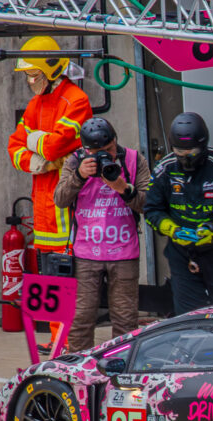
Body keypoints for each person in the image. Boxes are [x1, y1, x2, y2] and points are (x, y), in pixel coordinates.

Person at [7, 36, 92, 352]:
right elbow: (14, 148)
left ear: (51, 70)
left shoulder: (76, 100)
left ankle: (71, 339)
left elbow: (58, 144)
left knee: (68, 274)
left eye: (35, 75)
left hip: (67, 206)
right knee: (50, 274)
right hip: (43, 205)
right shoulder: (34, 104)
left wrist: (37, 142)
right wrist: (37, 161)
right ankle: (59, 337)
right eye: (28, 76)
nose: (30, 82)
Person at [54, 117, 150, 351]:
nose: (105, 155)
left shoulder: (134, 160)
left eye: (109, 150)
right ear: (87, 150)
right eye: (98, 152)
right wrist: (79, 176)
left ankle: (122, 367)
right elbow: (60, 199)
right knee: (81, 319)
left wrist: (123, 188)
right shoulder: (75, 161)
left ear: (115, 140)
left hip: (124, 252)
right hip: (86, 254)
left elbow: (148, 203)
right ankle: (77, 368)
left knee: (126, 320)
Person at [146, 113, 213, 315]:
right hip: (181, 253)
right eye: (180, 152)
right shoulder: (163, 170)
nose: (186, 157)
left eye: (191, 152)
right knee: (188, 317)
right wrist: (173, 230)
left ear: (203, 145)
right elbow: (151, 210)